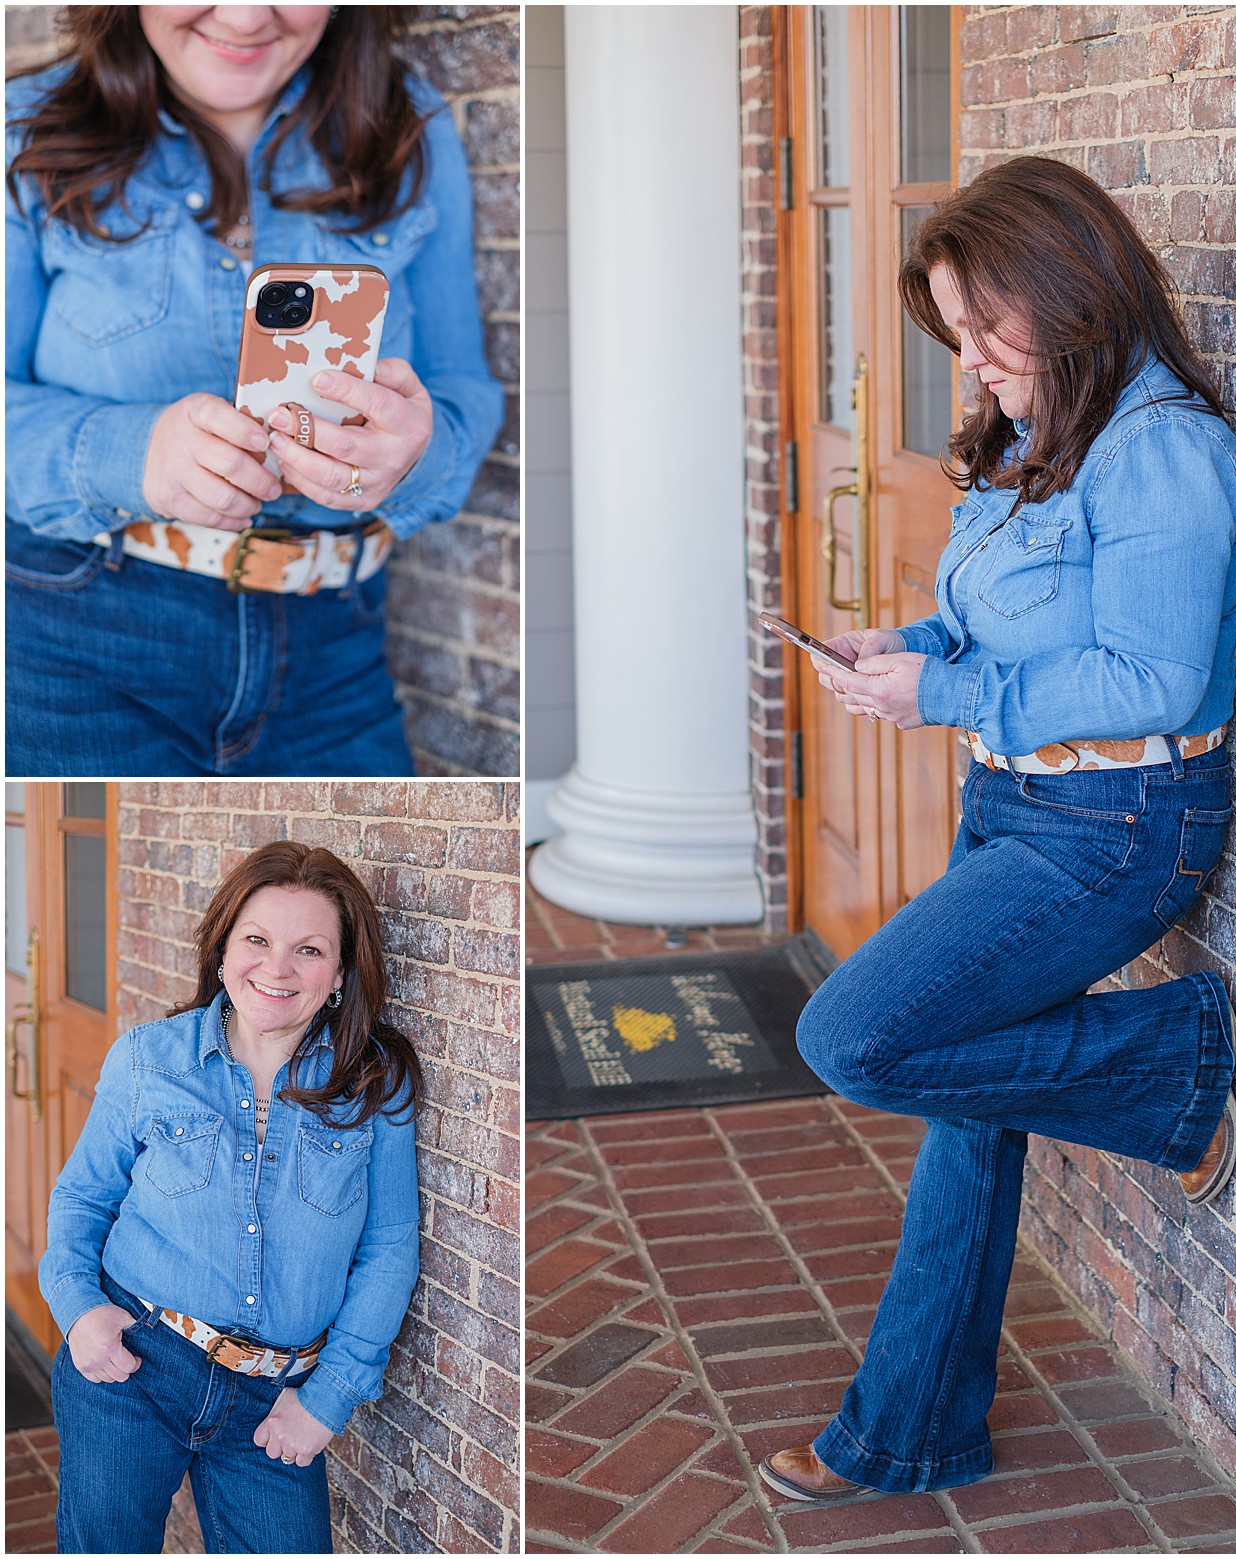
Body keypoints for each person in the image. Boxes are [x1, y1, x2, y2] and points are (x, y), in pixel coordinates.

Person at [758, 156, 1236, 1505]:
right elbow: (998, 627)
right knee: (967, 1097)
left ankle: (1174, 1062)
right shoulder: (1045, 435)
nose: (968, 360)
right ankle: (907, 1428)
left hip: (1116, 824)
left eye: (983, 325)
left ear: (1068, 287)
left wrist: (954, 690)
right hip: (1017, 801)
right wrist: (905, 650)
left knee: (858, 1035)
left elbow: (1155, 676)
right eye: (954, 332)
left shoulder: (1164, 450)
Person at [6, 5, 503, 776]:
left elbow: (463, 388)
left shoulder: (410, 122)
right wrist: (134, 455)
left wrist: (415, 453)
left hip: (335, 648)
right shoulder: (22, 129)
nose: (243, 16)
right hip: (76, 639)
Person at [39, 840, 422, 1553]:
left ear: (339, 974)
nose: (277, 967)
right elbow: (83, 1196)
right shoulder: (148, 1058)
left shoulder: (375, 1085)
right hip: (134, 1365)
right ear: (223, 952)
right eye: (257, 939)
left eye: (309, 949)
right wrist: (78, 1308)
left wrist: (328, 1399)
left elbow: (390, 1249)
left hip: (277, 1400)